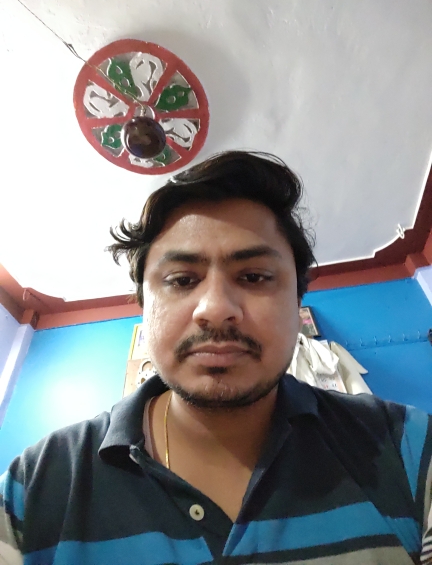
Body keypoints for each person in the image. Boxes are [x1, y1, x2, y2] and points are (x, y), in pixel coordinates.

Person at [0, 151, 431, 565]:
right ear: (144, 307)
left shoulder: (405, 446)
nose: (215, 308)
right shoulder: (36, 484)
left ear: (297, 303)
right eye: (181, 279)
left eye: (254, 276)